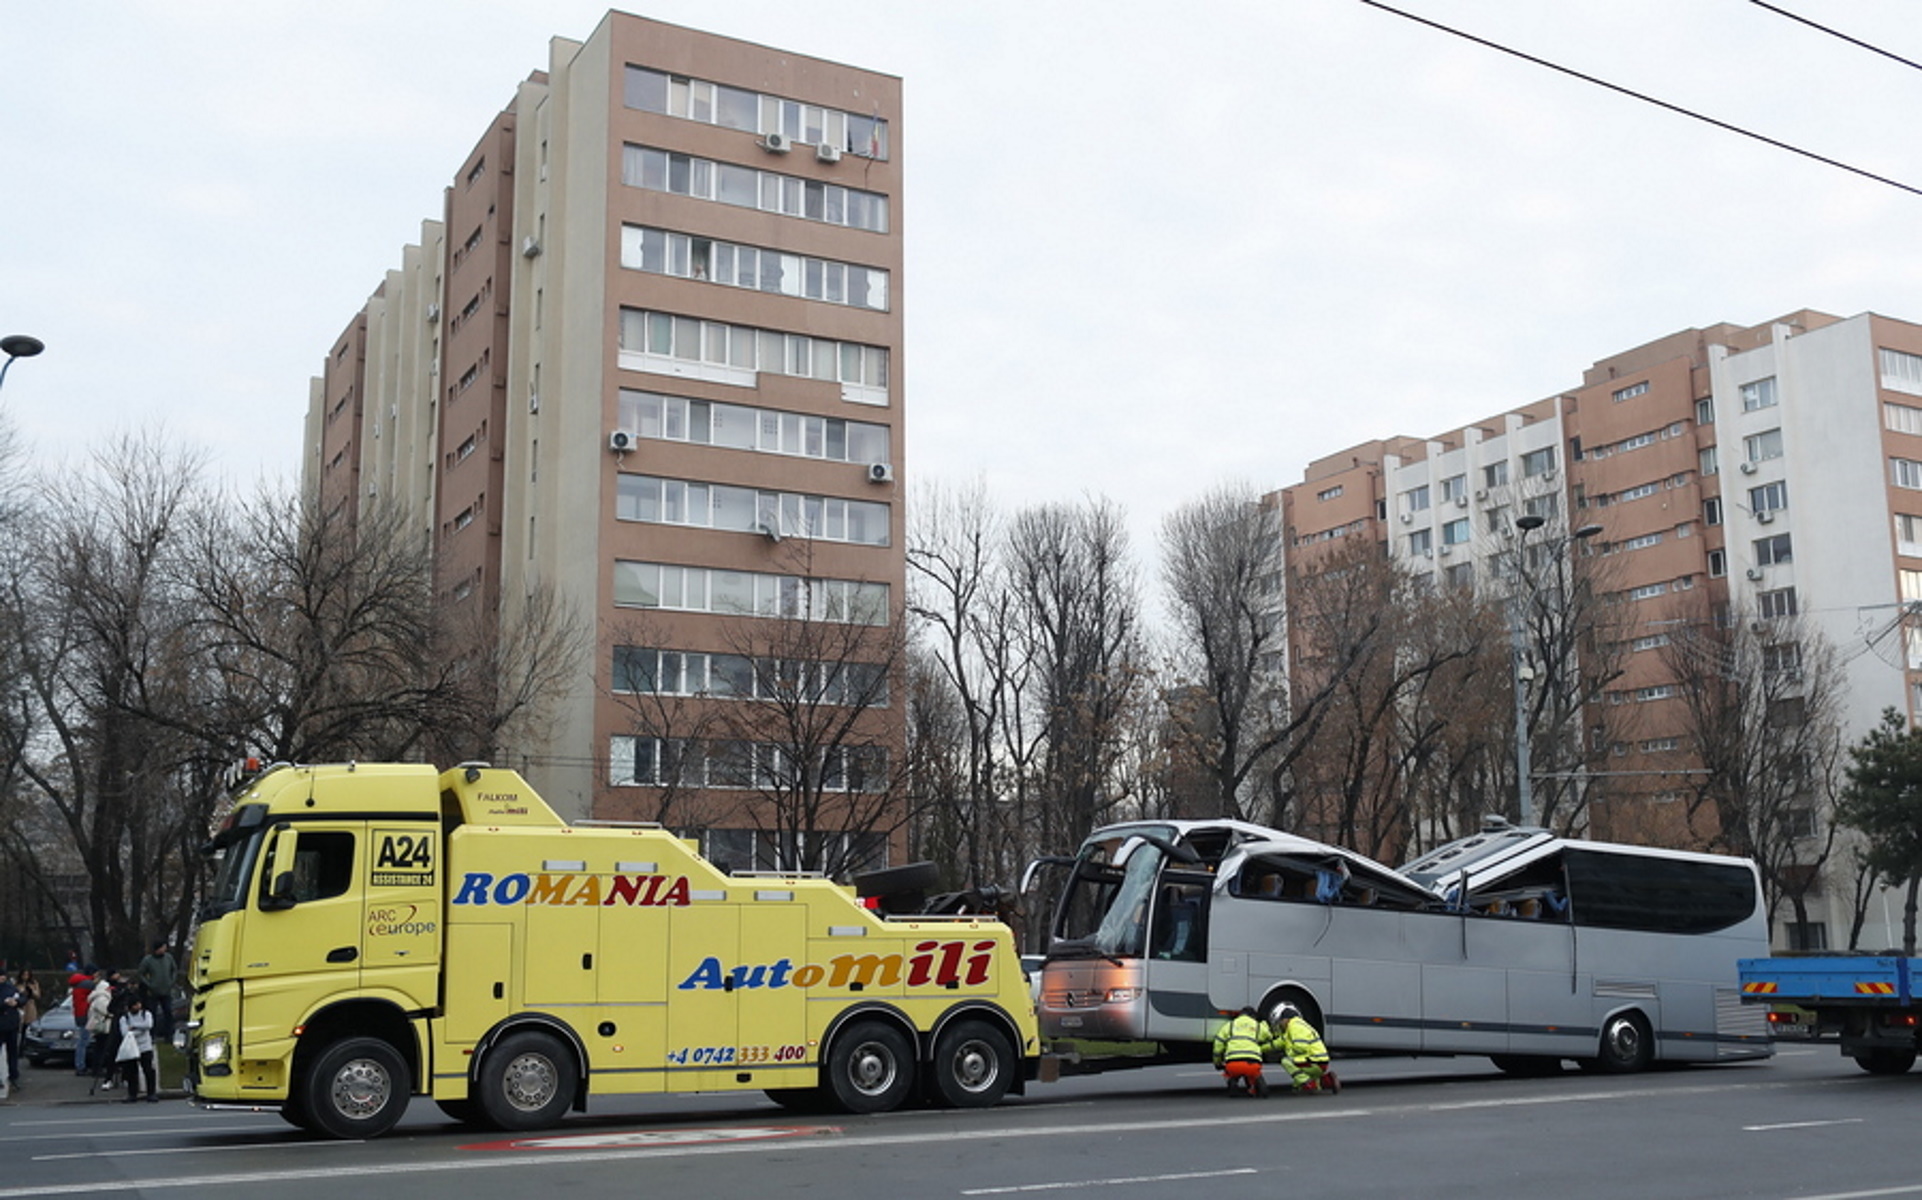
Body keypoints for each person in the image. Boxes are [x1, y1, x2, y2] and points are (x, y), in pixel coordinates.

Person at [1272, 1003, 1341, 1094]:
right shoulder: (1301, 1025)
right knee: (1297, 1084)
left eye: (1281, 1021)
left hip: (1313, 1062)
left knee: (1286, 1061)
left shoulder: (1295, 1027)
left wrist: (1288, 1054)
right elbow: (1279, 1042)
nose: (1280, 1024)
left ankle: (1309, 1084)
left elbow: (1300, 1047)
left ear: (1286, 1020)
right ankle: (1328, 1080)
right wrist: (1261, 1048)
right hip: (1320, 1062)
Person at [1211, 1005, 1277, 1098]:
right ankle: (1255, 1086)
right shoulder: (1257, 1026)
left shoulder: (1230, 1025)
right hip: (1252, 1063)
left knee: (1231, 1073)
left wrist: (1217, 1062)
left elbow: (1218, 1045)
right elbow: (1269, 1036)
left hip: (1232, 1064)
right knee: (1254, 1073)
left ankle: (1232, 1082)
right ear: (1253, 1016)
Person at [116, 994, 158, 1103]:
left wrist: (134, 1027)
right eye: (135, 1005)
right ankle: (132, 1094)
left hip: (145, 1046)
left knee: (148, 1070)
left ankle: (151, 1093)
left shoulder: (146, 1014)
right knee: (131, 1072)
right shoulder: (124, 1018)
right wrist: (140, 1029)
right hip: (131, 1047)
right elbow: (125, 1033)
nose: (138, 1006)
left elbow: (148, 1025)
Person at [136, 939, 179, 1043]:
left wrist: (171, 982)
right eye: (163, 947)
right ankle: (151, 1035)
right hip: (153, 992)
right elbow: (140, 973)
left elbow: (174, 970)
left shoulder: (168, 958)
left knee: (168, 1013)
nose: (165, 949)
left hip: (166, 991)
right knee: (152, 1014)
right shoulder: (148, 960)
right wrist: (149, 984)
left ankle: (169, 1036)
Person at [69, 964, 97, 1075]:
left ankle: (80, 1064)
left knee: (82, 1040)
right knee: (83, 1041)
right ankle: (80, 1066)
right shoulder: (88, 983)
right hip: (85, 1014)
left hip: (79, 1013)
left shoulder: (78, 983)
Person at [0, 971, 21, 1093]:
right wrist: (4, 1003)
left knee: (12, 1051)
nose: (2, 978)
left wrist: (17, 1002)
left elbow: (22, 997)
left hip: (12, 1024)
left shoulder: (11, 988)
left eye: (3, 976)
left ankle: (14, 1076)